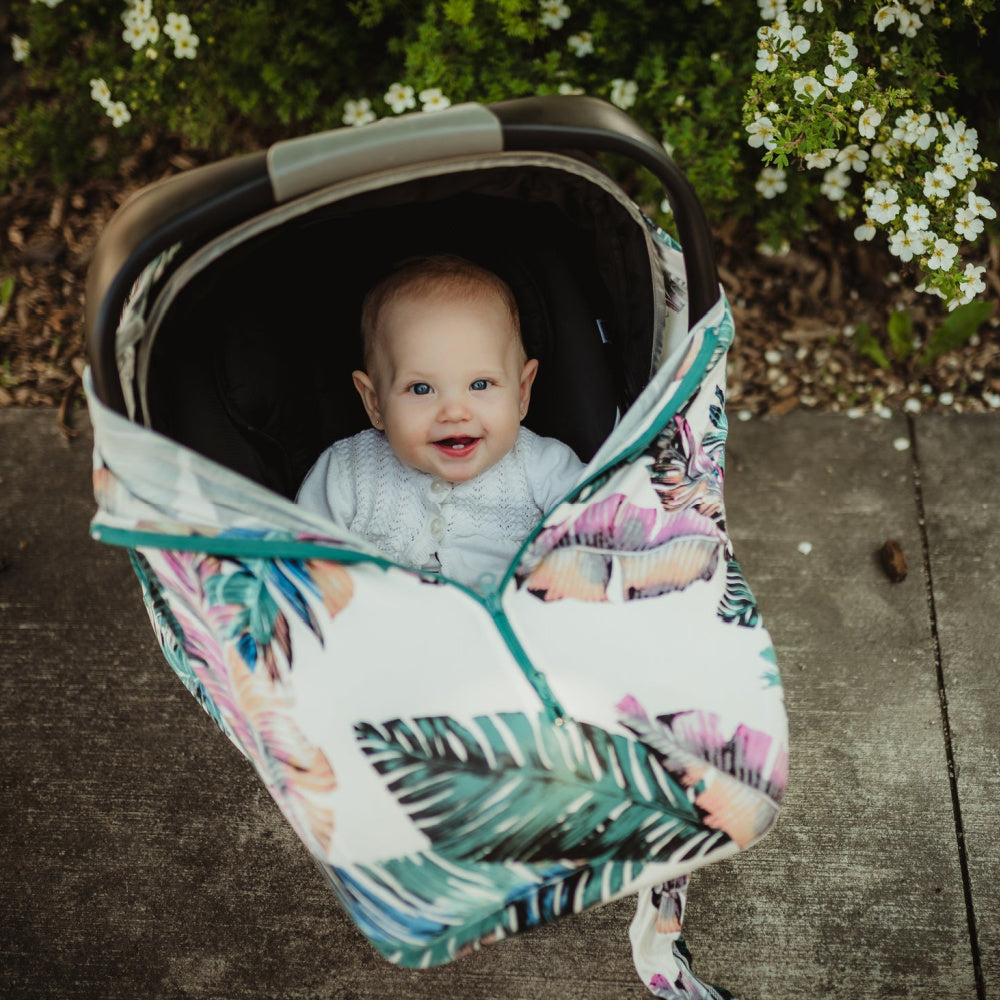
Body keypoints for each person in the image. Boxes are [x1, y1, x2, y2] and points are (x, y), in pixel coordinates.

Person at [296, 255, 585, 589]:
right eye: (421, 389)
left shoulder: (545, 468)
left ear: (522, 392)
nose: (454, 412)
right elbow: (297, 568)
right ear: (375, 402)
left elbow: (604, 535)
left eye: (480, 385)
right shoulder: (346, 473)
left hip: (513, 631)